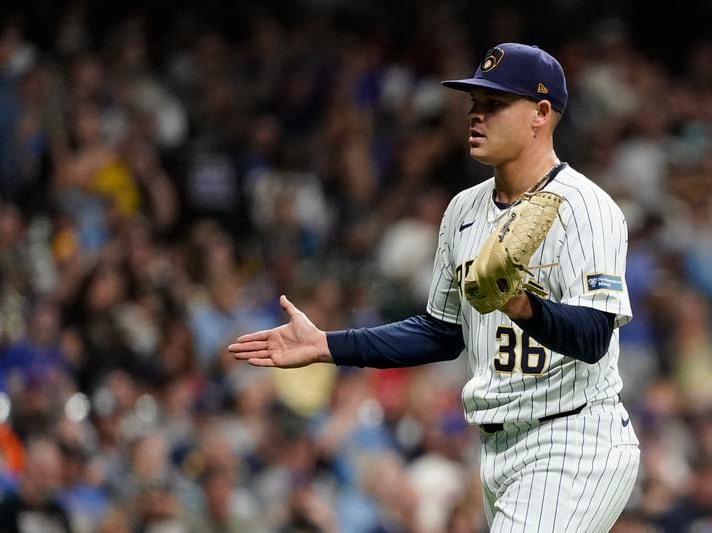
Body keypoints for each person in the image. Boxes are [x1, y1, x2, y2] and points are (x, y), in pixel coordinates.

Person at [230, 42, 640, 532]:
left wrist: (521, 305)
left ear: (541, 113)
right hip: (497, 447)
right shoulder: (463, 211)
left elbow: (595, 339)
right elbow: (440, 332)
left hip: (575, 437)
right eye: (473, 103)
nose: (475, 116)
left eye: (494, 105)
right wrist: (325, 345)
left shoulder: (587, 208)